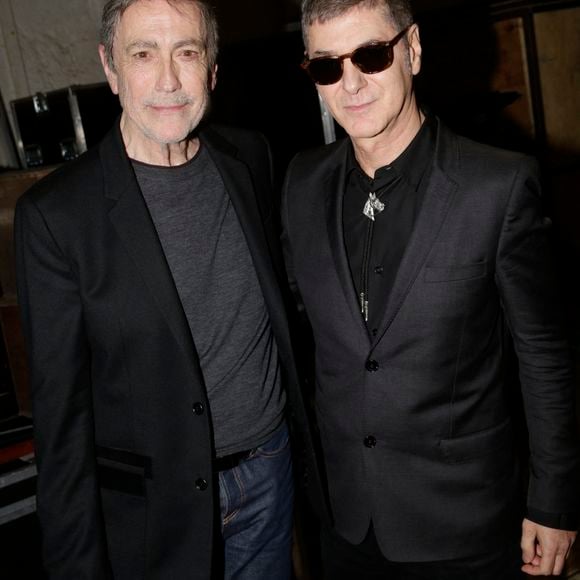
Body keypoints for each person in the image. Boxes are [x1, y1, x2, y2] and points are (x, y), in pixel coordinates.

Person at [14, 0, 324, 578]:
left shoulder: (250, 156)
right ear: (110, 68)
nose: (167, 80)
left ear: (212, 68)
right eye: (142, 54)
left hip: (269, 472)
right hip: (154, 509)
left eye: (186, 52)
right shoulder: (56, 216)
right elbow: (61, 425)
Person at [281, 0, 580, 578]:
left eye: (370, 56)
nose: (351, 84)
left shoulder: (497, 186)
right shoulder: (300, 184)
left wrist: (555, 499)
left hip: (464, 525)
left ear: (412, 49)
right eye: (326, 67)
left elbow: (544, 358)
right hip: (346, 525)